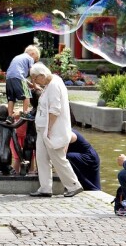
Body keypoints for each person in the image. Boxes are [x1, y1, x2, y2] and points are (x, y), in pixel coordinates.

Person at [28, 63, 84, 198]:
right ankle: (45, 188)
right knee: (42, 158)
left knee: (58, 158)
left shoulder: (54, 85)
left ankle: (74, 185)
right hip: (43, 129)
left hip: (50, 129)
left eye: (35, 78)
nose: (35, 81)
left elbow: (55, 110)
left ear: (42, 75)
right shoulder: (50, 83)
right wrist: (37, 87)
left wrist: (49, 129)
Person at [5, 45, 40, 124]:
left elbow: (19, 75)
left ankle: (10, 117)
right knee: (27, 94)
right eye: (35, 59)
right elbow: (32, 72)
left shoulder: (18, 57)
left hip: (9, 78)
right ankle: (25, 113)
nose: (34, 61)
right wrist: (35, 85)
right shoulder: (29, 58)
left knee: (11, 99)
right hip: (18, 77)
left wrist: (30, 84)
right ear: (33, 53)